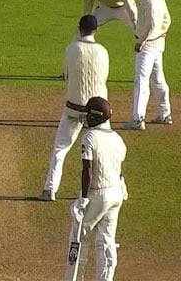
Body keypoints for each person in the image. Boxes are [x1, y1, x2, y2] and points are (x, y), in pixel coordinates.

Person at [41, 15, 109, 202]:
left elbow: (67, 76)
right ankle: (109, 189)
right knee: (104, 150)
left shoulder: (71, 49)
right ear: (96, 30)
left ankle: (50, 189)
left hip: (74, 109)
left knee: (60, 149)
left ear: (80, 28)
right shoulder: (103, 51)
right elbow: (103, 77)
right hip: (98, 112)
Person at [64, 96, 127, 281]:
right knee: (106, 241)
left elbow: (88, 171)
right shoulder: (118, 139)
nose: (86, 118)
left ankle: (73, 278)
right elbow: (119, 167)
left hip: (97, 194)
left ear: (97, 117)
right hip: (116, 192)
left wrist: (83, 198)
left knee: (79, 236)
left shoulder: (90, 138)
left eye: (89, 115)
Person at [122, 0, 172, 130]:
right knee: (158, 80)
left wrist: (142, 41)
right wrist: (161, 35)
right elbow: (167, 20)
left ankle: (138, 119)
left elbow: (152, 23)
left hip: (148, 46)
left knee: (141, 81)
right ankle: (165, 113)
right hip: (157, 44)